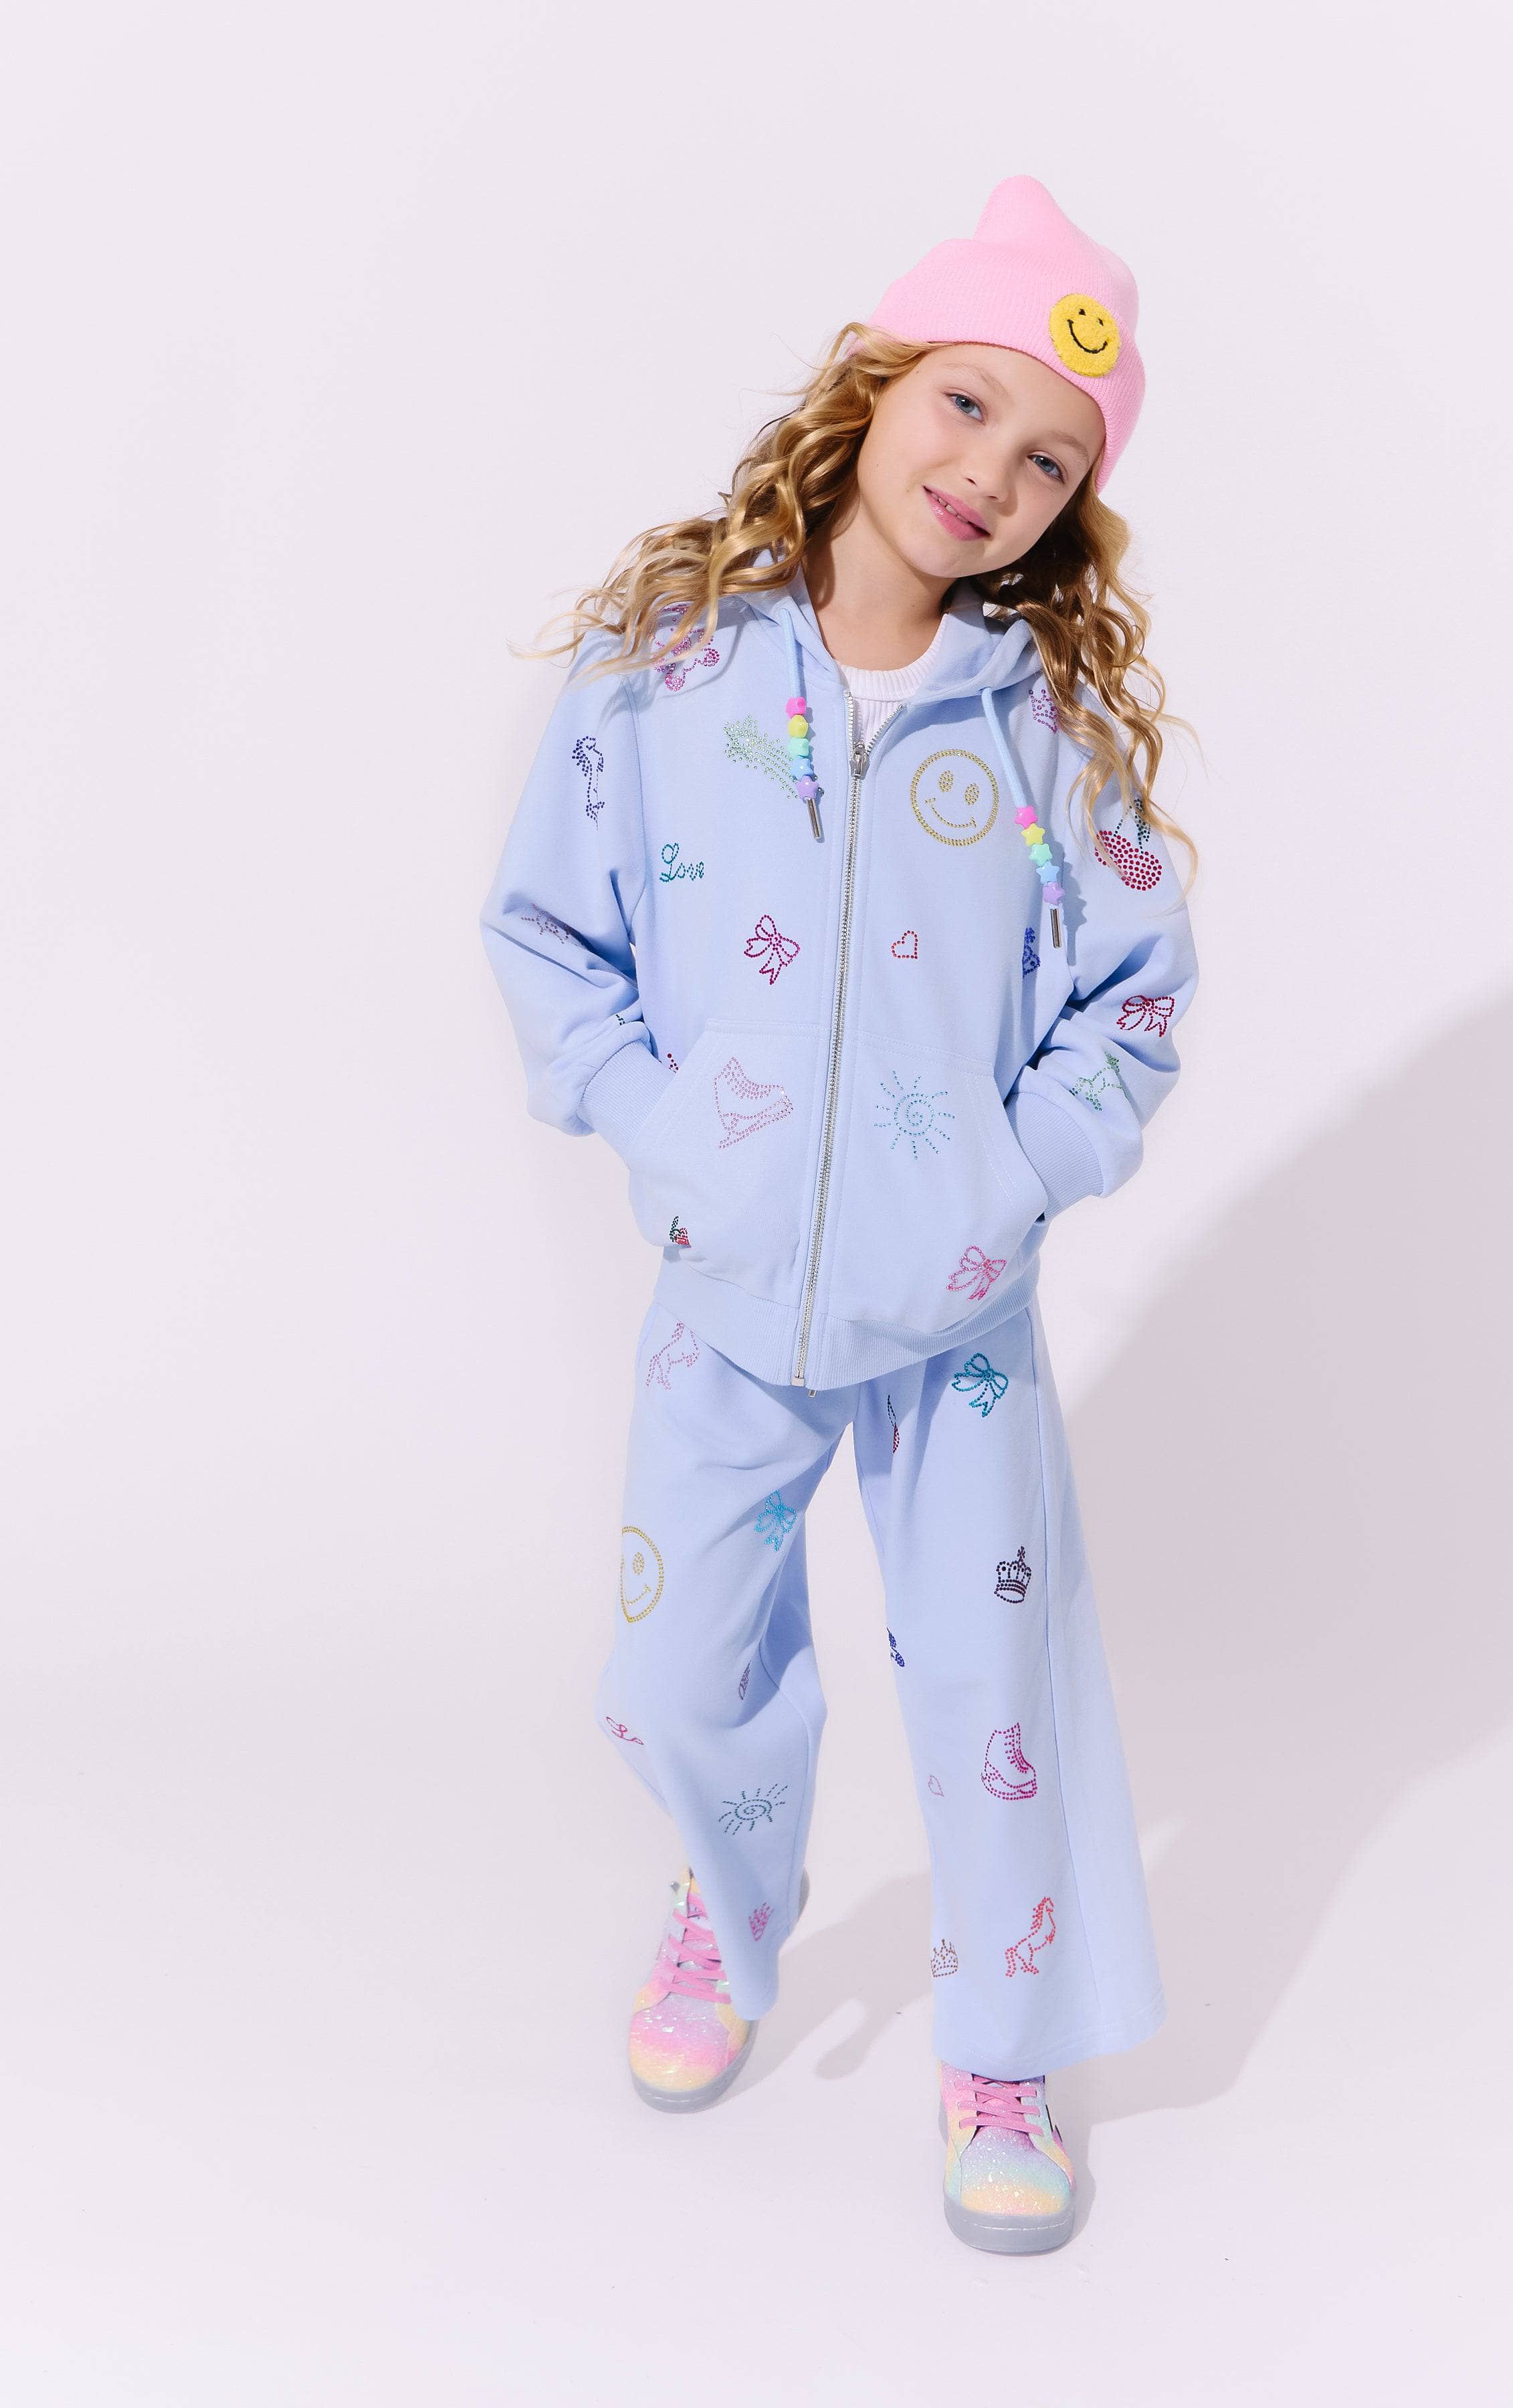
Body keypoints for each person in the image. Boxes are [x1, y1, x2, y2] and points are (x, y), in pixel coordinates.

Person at [480, 175, 1200, 2255]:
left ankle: (1003, 2049)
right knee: (671, 1671)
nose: (992, 473)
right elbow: (546, 934)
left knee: (992, 1701)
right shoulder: (670, 669)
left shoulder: (1044, 732)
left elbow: (1134, 1002)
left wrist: (1008, 1180)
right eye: (967, 406)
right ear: (873, 387)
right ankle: (728, 1916)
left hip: (953, 1319)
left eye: (1049, 460)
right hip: (725, 1292)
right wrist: (663, 1133)